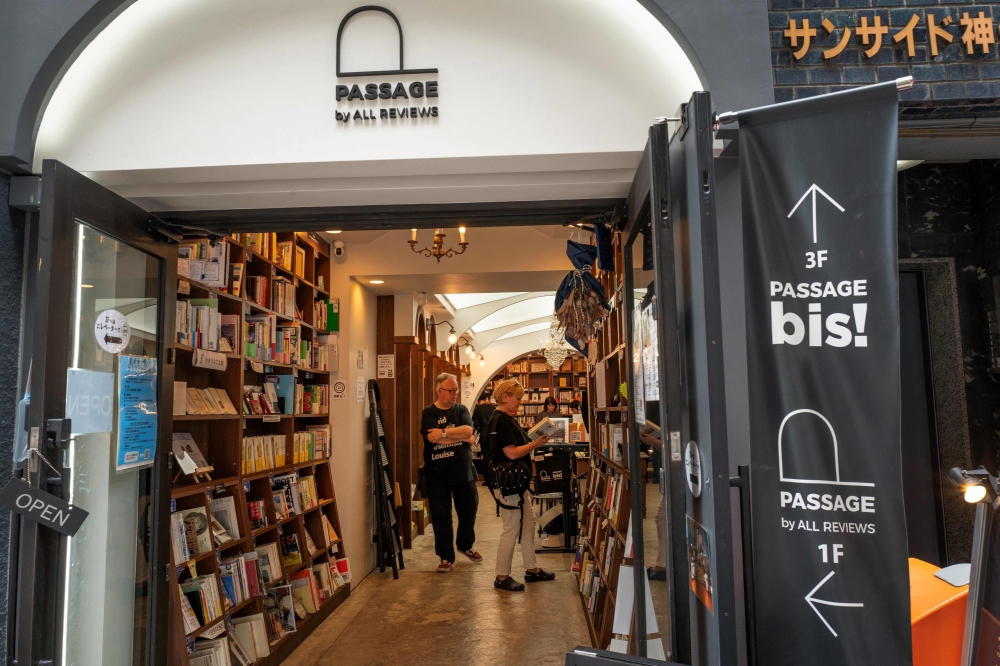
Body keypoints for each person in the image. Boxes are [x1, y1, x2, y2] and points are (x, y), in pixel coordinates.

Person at [490, 379, 557, 591]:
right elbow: (511, 452)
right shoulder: (501, 420)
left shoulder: (504, 418)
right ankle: (502, 576)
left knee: (528, 523)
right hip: (509, 483)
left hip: (516, 484)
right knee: (511, 528)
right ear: (505, 397)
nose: (520, 402)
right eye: (517, 398)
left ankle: (532, 569)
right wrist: (536, 443)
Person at [420, 373, 481, 573]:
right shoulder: (428, 412)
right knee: (441, 517)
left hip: (464, 472)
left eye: (456, 390)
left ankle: (465, 545)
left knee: (468, 512)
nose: (455, 394)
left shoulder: (461, 409)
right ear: (440, 391)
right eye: (451, 390)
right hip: (437, 474)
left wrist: (444, 433)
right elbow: (432, 439)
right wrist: (462, 437)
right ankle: (446, 556)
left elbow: (468, 431)